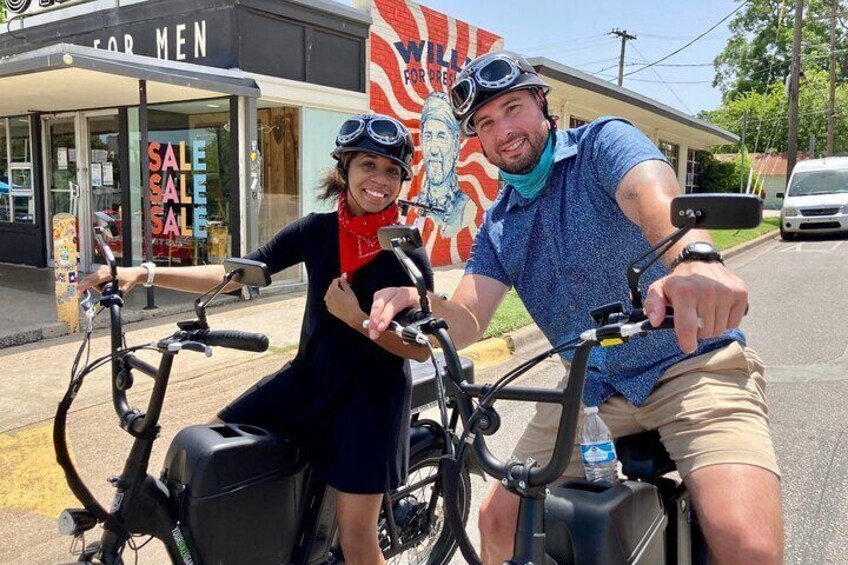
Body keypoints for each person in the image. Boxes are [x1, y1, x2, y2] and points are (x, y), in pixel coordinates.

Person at [368, 51, 783, 565]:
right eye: (487, 123)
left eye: (514, 108)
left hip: (690, 364)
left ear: (543, 106)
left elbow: (650, 194)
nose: (504, 131)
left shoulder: (602, 144)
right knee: (497, 523)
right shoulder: (499, 225)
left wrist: (694, 257)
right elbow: (470, 316)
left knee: (748, 546)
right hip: (588, 389)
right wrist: (418, 302)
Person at [80, 113, 432, 565]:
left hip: (371, 399)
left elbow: (420, 346)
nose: (379, 180)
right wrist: (143, 272)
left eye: (391, 171)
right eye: (368, 165)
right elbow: (237, 273)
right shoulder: (316, 230)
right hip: (309, 380)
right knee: (214, 449)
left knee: (358, 541)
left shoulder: (405, 247)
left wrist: (358, 319)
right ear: (345, 169)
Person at [415, 92, 473, 237]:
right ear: (422, 142)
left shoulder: (466, 208)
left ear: (455, 146)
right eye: (428, 136)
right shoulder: (413, 204)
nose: (433, 149)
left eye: (441, 136)